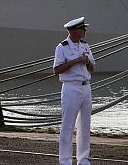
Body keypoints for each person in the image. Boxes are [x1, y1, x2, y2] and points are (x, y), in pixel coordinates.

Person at [53, 17, 95, 165]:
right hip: (71, 87)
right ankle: (65, 160)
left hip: (86, 87)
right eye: (83, 29)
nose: (85, 31)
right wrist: (76, 61)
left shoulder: (85, 46)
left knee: (85, 125)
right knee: (68, 125)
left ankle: (83, 159)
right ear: (75, 31)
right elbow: (56, 70)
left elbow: (92, 69)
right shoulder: (62, 47)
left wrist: (87, 61)